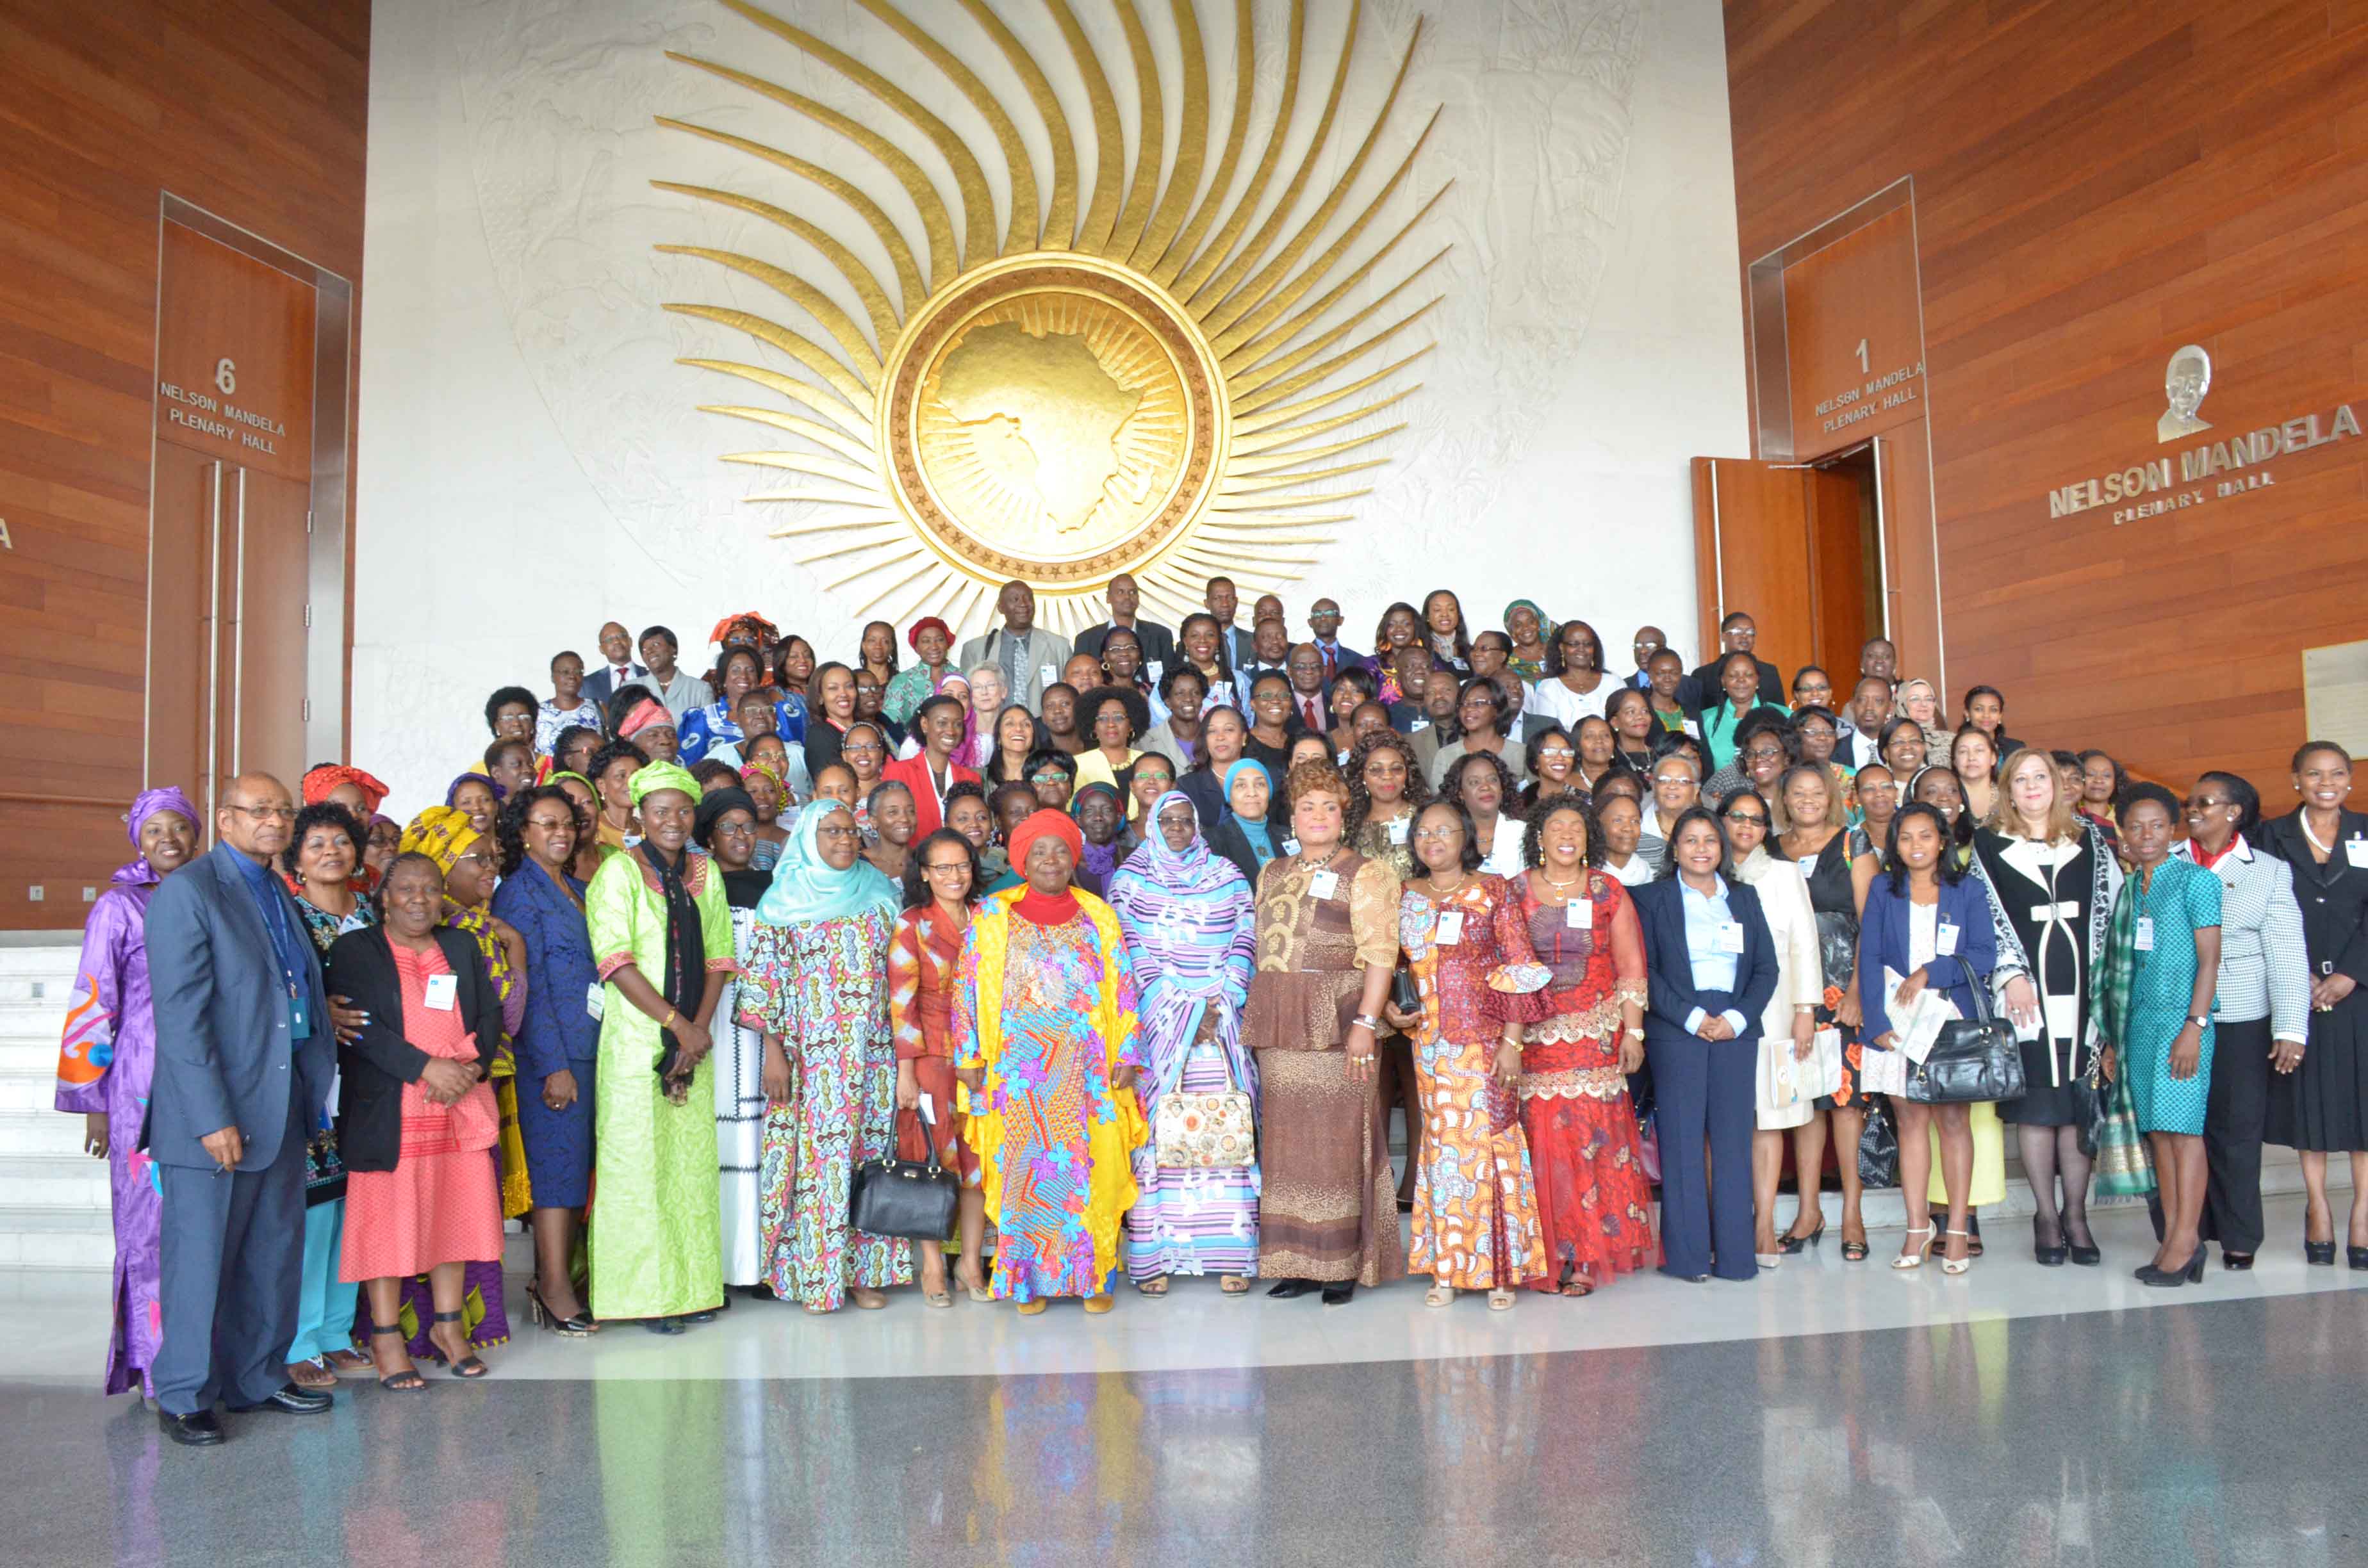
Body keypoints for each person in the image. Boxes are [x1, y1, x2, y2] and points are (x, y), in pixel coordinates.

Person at [144, 772, 337, 1445]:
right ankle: (183, 1395)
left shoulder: (274, 890)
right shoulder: (191, 892)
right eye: (259, 812)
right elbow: (182, 1018)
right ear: (224, 820)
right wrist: (209, 1118)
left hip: (281, 1104)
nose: (275, 823)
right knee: (201, 1259)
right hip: (216, 1118)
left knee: (271, 1251)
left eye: (283, 812)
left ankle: (254, 1377)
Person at [952, 810, 1147, 1313]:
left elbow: (1124, 988)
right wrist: (968, 1054)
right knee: (1026, 1175)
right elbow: (965, 991)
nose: (1051, 860)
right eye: (1039, 851)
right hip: (1020, 1074)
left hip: (1086, 1071)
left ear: (1073, 856)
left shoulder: (1098, 915)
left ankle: (1092, 1278)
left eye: (1060, 849)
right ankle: (1029, 1282)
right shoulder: (991, 916)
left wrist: (1127, 1050)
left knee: (1092, 1172)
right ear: (1022, 859)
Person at [330, 853, 506, 1388]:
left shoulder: (461, 945)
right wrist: (427, 1067)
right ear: (383, 897)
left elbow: (489, 1014)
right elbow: (361, 1029)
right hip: (391, 1110)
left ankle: (449, 1329)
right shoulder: (355, 949)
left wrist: (471, 1069)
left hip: (457, 1105)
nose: (418, 899)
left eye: (429, 889)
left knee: (456, 1218)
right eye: (405, 889)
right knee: (387, 1224)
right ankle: (386, 1337)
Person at [54, 786, 199, 1401]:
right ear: (137, 839)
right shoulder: (118, 907)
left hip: (206, 1080)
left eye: (179, 827)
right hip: (139, 1086)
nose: (168, 838)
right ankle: (150, 1362)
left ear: (197, 834)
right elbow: (93, 1001)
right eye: (154, 829)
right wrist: (96, 1104)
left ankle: (199, 1357)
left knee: (200, 1227)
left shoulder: (210, 894)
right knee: (148, 1228)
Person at [1243, 762, 1406, 1304]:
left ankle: (1339, 1264)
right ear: (1292, 814)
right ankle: (1296, 1261)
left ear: (1343, 816)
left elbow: (1381, 955)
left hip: (1338, 1022)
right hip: (1280, 1024)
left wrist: (1366, 1020)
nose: (1318, 816)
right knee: (1288, 1148)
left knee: (1337, 1144)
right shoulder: (1273, 872)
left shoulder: (1368, 873)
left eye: (1329, 807)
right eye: (1308, 806)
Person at [740, 799, 911, 1312]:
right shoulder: (781, 900)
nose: (844, 840)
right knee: (817, 1166)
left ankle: (864, 1271)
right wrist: (775, 1055)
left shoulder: (880, 891)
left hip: (874, 1054)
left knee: (867, 1161)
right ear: (808, 836)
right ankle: (814, 1274)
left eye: (850, 831)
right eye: (831, 831)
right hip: (810, 1060)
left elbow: (902, 976)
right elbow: (762, 984)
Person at [585, 760, 732, 1332]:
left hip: (693, 1042)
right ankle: (644, 1296)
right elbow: (615, 962)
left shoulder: (706, 873)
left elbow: (719, 958)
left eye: (684, 809)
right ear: (640, 815)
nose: (674, 820)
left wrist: (697, 1031)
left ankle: (693, 1288)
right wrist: (678, 1025)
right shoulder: (616, 874)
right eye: (661, 810)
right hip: (636, 1042)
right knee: (639, 1168)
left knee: (689, 1168)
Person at [1388, 799, 1551, 1309]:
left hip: (1484, 1046)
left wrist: (1511, 1042)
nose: (1432, 840)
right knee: (1442, 1153)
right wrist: (1393, 1010)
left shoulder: (1492, 891)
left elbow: (1521, 965)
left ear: (1465, 839)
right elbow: (1388, 966)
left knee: (1490, 1153)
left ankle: (1501, 1270)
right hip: (1431, 1048)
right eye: (1423, 832)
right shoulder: (1404, 896)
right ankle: (1447, 1267)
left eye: (1444, 831)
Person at [1968, 748, 2120, 1266]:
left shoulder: (2091, 840)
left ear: (2058, 785)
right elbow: (1982, 917)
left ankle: (2076, 1215)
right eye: (2021, 779)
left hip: (2082, 991)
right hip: (2025, 995)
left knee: (2077, 1106)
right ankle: (2046, 1217)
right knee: (2037, 1107)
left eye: (2041, 777)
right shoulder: (1987, 845)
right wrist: (2010, 975)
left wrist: (2106, 989)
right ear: (2007, 790)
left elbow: (2112, 911)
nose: (2032, 787)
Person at [1108, 792, 1261, 1295]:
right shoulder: (1129, 881)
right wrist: (1182, 1011)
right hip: (1161, 1024)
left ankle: (1234, 1254)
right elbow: (1127, 948)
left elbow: (1246, 935)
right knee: (1162, 1136)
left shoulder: (1228, 876)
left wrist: (1223, 1000)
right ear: (1152, 825)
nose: (1176, 828)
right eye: (1167, 820)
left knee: (1227, 1127)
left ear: (1198, 825)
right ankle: (1156, 1260)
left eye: (1185, 820)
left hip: (1223, 1021)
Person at [1504, 795, 1654, 1294]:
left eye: (1576, 826)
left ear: (1588, 836)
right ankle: (1546, 1256)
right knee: (1544, 1149)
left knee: (1591, 1147)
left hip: (1595, 1039)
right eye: (1555, 826)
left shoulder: (1608, 890)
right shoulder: (1515, 891)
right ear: (1539, 838)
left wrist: (1633, 1032)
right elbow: (1505, 968)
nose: (1566, 833)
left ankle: (1586, 1255)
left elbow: (1631, 967)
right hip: (1536, 1040)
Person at [1631, 806, 1779, 1282]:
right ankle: (1688, 1258)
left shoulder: (1745, 897)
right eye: (1690, 840)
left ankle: (1736, 1258)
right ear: (1675, 849)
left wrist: (1735, 1018)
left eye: (1710, 840)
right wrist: (1693, 1018)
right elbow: (1644, 971)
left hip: (1735, 1030)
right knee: (1681, 1144)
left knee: (1734, 1143)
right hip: (1677, 1029)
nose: (1701, 849)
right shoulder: (1650, 898)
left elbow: (1766, 970)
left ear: (1724, 848)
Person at [2176, 770, 2310, 1269]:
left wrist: (2290, 1027)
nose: (2193, 809)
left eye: (2205, 802)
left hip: (2239, 1016)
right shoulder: (2167, 863)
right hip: (2176, 1016)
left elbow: (2287, 954)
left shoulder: (2269, 871)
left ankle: (2238, 1237)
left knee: (2236, 1131)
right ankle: (2188, 1232)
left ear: (2234, 812)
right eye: (2189, 801)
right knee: (2183, 1129)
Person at [1858, 801, 2000, 1274]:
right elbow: (1870, 955)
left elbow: (1983, 954)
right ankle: (1918, 1227)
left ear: (1943, 841)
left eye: (1925, 835)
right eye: (1905, 837)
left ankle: (1957, 1229)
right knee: (1910, 1120)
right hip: (1898, 1019)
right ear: (1894, 845)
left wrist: (1929, 971)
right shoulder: (1883, 888)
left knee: (1954, 1122)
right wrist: (1875, 1023)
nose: (1916, 845)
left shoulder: (1969, 890)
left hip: (1951, 1016)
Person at [2099, 783, 2223, 1286]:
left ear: (2172, 830)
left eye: (2156, 825)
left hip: (2183, 1020)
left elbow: (2211, 960)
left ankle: (2188, 1241)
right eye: (2135, 826)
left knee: (2184, 1131)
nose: (2145, 835)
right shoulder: (2133, 888)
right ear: (2123, 836)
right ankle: (2172, 1236)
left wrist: (2194, 1027)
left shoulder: (2196, 881)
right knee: (2158, 1135)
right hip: (2142, 1023)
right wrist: (2114, 1038)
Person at [488, 785, 601, 1334]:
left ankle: (569, 1278)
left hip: (597, 1048)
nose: (560, 832)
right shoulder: (517, 894)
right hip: (553, 1057)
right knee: (557, 1172)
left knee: (580, 1170)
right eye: (546, 824)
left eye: (567, 823)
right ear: (523, 832)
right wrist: (554, 1063)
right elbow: (524, 987)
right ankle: (551, 1285)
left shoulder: (581, 889)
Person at [2255, 742, 2368, 1263]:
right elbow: (2259, 907)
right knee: (2309, 1103)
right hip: (2293, 989)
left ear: (2349, 779)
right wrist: (2293, 974)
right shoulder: (2270, 836)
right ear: (2296, 779)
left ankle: (2363, 1211)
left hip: (2359, 992)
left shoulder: (2367, 831)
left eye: (2338, 773)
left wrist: (2350, 974)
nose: (2328, 782)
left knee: (2364, 1106)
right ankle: (2318, 1206)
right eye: (2314, 773)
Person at [279, 803, 374, 1387]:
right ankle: (300, 1338)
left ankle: (338, 1332)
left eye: (341, 841)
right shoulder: (289, 916)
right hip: (315, 1080)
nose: (330, 852)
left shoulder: (372, 910)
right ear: (295, 859)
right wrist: (322, 1014)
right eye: (316, 844)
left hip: (371, 1082)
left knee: (356, 1211)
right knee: (315, 1214)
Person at [1719, 790, 1827, 1268]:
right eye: (1737, 817)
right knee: (1724, 1120)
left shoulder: (1784, 874)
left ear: (1767, 828)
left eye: (1756, 820)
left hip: (1778, 1011)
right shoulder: (1704, 872)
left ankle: (1763, 1224)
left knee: (1770, 1116)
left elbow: (1805, 943)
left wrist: (1806, 1008)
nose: (1746, 826)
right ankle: (1726, 1222)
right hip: (1717, 1016)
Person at [889, 828, 991, 1305]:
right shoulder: (912, 924)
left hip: (986, 1059)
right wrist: (906, 1072)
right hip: (931, 1057)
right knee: (930, 1158)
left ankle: (970, 1263)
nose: (955, 876)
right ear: (925, 874)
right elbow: (901, 1004)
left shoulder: (990, 917)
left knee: (978, 1162)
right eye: (943, 868)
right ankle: (933, 1265)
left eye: (963, 865)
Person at [1775, 763, 1871, 1259]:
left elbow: (1871, 923)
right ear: (1785, 799)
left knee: (1846, 1103)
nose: (1808, 800)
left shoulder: (1853, 843)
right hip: (1790, 996)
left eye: (1817, 792)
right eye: (1798, 793)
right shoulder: (1771, 850)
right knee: (1805, 1102)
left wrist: (1857, 990)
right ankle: (1808, 1211)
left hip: (1842, 995)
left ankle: (1852, 1213)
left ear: (1830, 796)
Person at [684, 786, 773, 1298]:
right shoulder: (695, 885)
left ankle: (755, 1265)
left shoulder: (773, 885)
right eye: (728, 828)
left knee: (758, 1138)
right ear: (709, 838)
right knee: (717, 1139)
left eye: (748, 826)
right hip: (711, 1021)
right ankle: (714, 1267)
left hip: (761, 1030)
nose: (741, 837)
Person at [958, 579, 1073, 712]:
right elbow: (968, 700)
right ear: (1000, 607)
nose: (1023, 604)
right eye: (1015, 599)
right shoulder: (974, 649)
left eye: (1028, 599)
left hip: (1044, 729)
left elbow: (1069, 694)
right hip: (994, 728)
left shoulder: (1059, 646)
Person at [882, 692, 981, 838]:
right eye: (942, 723)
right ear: (925, 725)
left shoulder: (971, 778)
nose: (951, 731)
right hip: (912, 858)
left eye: (958, 724)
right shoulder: (897, 773)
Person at [1428, 678, 1528, 787]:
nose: (1469, 709)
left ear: (1497, 709)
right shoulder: (1446, 755)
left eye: (1478, 703)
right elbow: (1439, 801)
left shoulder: (1523, 753)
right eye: (1464, 704)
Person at [1700, 651, 1789, 772]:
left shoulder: (1784, 715)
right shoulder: (1705, 720)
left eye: (1748, 675)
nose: (1741, 680)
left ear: (1758, 680)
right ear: (1723, 681)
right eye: (1733, 676)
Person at [1442, 751, 1526, 878]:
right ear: (1460, 793)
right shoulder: (1448, 835)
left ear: (1502, 788)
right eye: (1475, 782)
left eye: (1493, 780)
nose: (1486, 787)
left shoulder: (1524, 832)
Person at [1075, 571, 1177, 669]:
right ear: (1108, 598)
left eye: (1133, 592)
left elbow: (1170, 680)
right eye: (1120, 592)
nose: (1127, 597)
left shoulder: (1161, 635)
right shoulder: (1086, 640)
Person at [1526, 619, 1613, 732]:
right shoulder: (1548, 688)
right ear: (1562, 648)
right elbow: (1546, 734)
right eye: (1574, 644)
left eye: (1587, 644)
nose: (1581, 649)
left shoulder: (1613, 683)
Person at [1684, 612, 1782, 708]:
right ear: (1723, 637)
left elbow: (1780, 712)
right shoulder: (1703, 675)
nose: (1745, 636)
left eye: (1750, 632)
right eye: (1737, 632)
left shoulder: (1769, 672)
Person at [1073, 685, 1149, 799]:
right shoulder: (1077, 765)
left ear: (1131, 725)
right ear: (1094, 727)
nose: (1111, 724)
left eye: (1118, 718)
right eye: (1102, 719)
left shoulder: (1147, 762)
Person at [882, 616, 955, 727]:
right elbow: (889, 726)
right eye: (926, 641)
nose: (934, 646)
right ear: (916, 648)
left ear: (948, 644)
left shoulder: (962, 678)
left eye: (940, 640)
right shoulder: (901, 682)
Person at [1638, 750, 1702, 874]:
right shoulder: (1637, 827)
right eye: (1664, 780)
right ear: (1653, 786)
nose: (1672, 786)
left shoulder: (1707, 828)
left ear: (1696, 791)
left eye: (1683, 781)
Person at [639, 624, 714, 717]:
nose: (649, 651)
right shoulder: (631, 687)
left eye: (656, 645)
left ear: (673, 649)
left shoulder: (700, 689)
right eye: (644, 649)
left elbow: (708, 729)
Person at [1140, 665, 1208, 767]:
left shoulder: (1215, 736)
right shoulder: (1146, 742)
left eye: (1195, 693)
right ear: (1168, 701)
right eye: (1180, 693)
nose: (1189, 699)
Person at [537, 651, 603, 756]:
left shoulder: (598, 707)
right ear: (553, 677)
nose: (572, 677)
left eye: (577, 672)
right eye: (565, 672)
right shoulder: (538, 712)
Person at [983, 703, 1050, 790]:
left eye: (1026, 724)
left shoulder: (1047, 778)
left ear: (1033, 736)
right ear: (999, 737)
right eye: (1010, 724)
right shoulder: (982, 778)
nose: (1019, 729)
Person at [1596, 790, 1653, 889]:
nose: (1628, 828)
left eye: (1635, 821)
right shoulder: (1586, 875)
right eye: (1618, 820)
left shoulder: (1649, 876)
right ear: (1598, 826)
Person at [864, 778, 919, 881]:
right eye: (893, 812)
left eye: (910, 811)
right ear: (874, 820)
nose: (904, 819)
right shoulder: (859, 864)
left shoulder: (925, 860)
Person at [585, 621, 647, 707]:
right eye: (609, 639)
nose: (617, 642)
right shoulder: (588, 684)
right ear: (601, 649)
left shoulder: (650, 675)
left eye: (621, 636)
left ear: (630, 642)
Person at [1306, 597, 1367, 680]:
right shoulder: (1298, 657)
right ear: (1310, 622)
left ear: (1340, 620)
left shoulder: (1358, 660)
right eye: (1317, 614)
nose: (1323, 618)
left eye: (1330, 613)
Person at [1502, 599, 1552, 681]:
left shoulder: (1559, 651)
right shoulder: (1506, 661)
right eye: (1518, 625)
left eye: (1531, 622)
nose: (1526, 628)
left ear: (1539, 625)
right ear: (1512, 633)